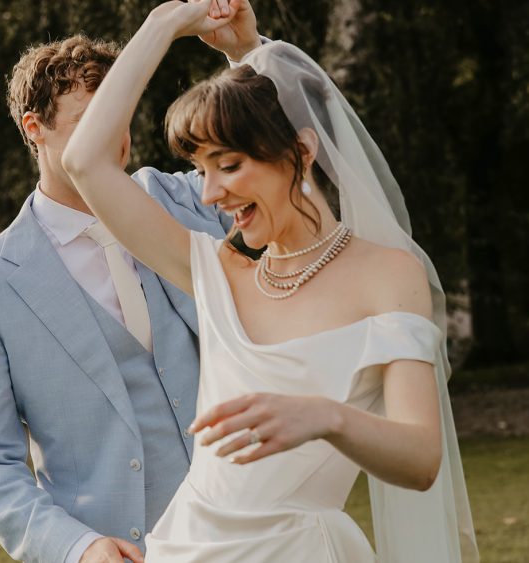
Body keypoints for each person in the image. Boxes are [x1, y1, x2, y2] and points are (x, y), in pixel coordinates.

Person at [61, 1, 480, 562]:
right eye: (202, 170)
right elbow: (85, 162)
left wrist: (326, 418)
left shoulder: (388, 275)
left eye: (229, 165)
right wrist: (166, 24)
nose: (210, 193)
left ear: (302, 152)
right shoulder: (214, 271)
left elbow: (422, 457)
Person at [0, 4, 263, 562]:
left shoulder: (188, 199)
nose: (113, 137)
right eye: (91, 120)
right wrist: (75, 547)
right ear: (34, 129)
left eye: (120, 113)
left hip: (249, 533)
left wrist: (245, 53)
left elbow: (285, 156)